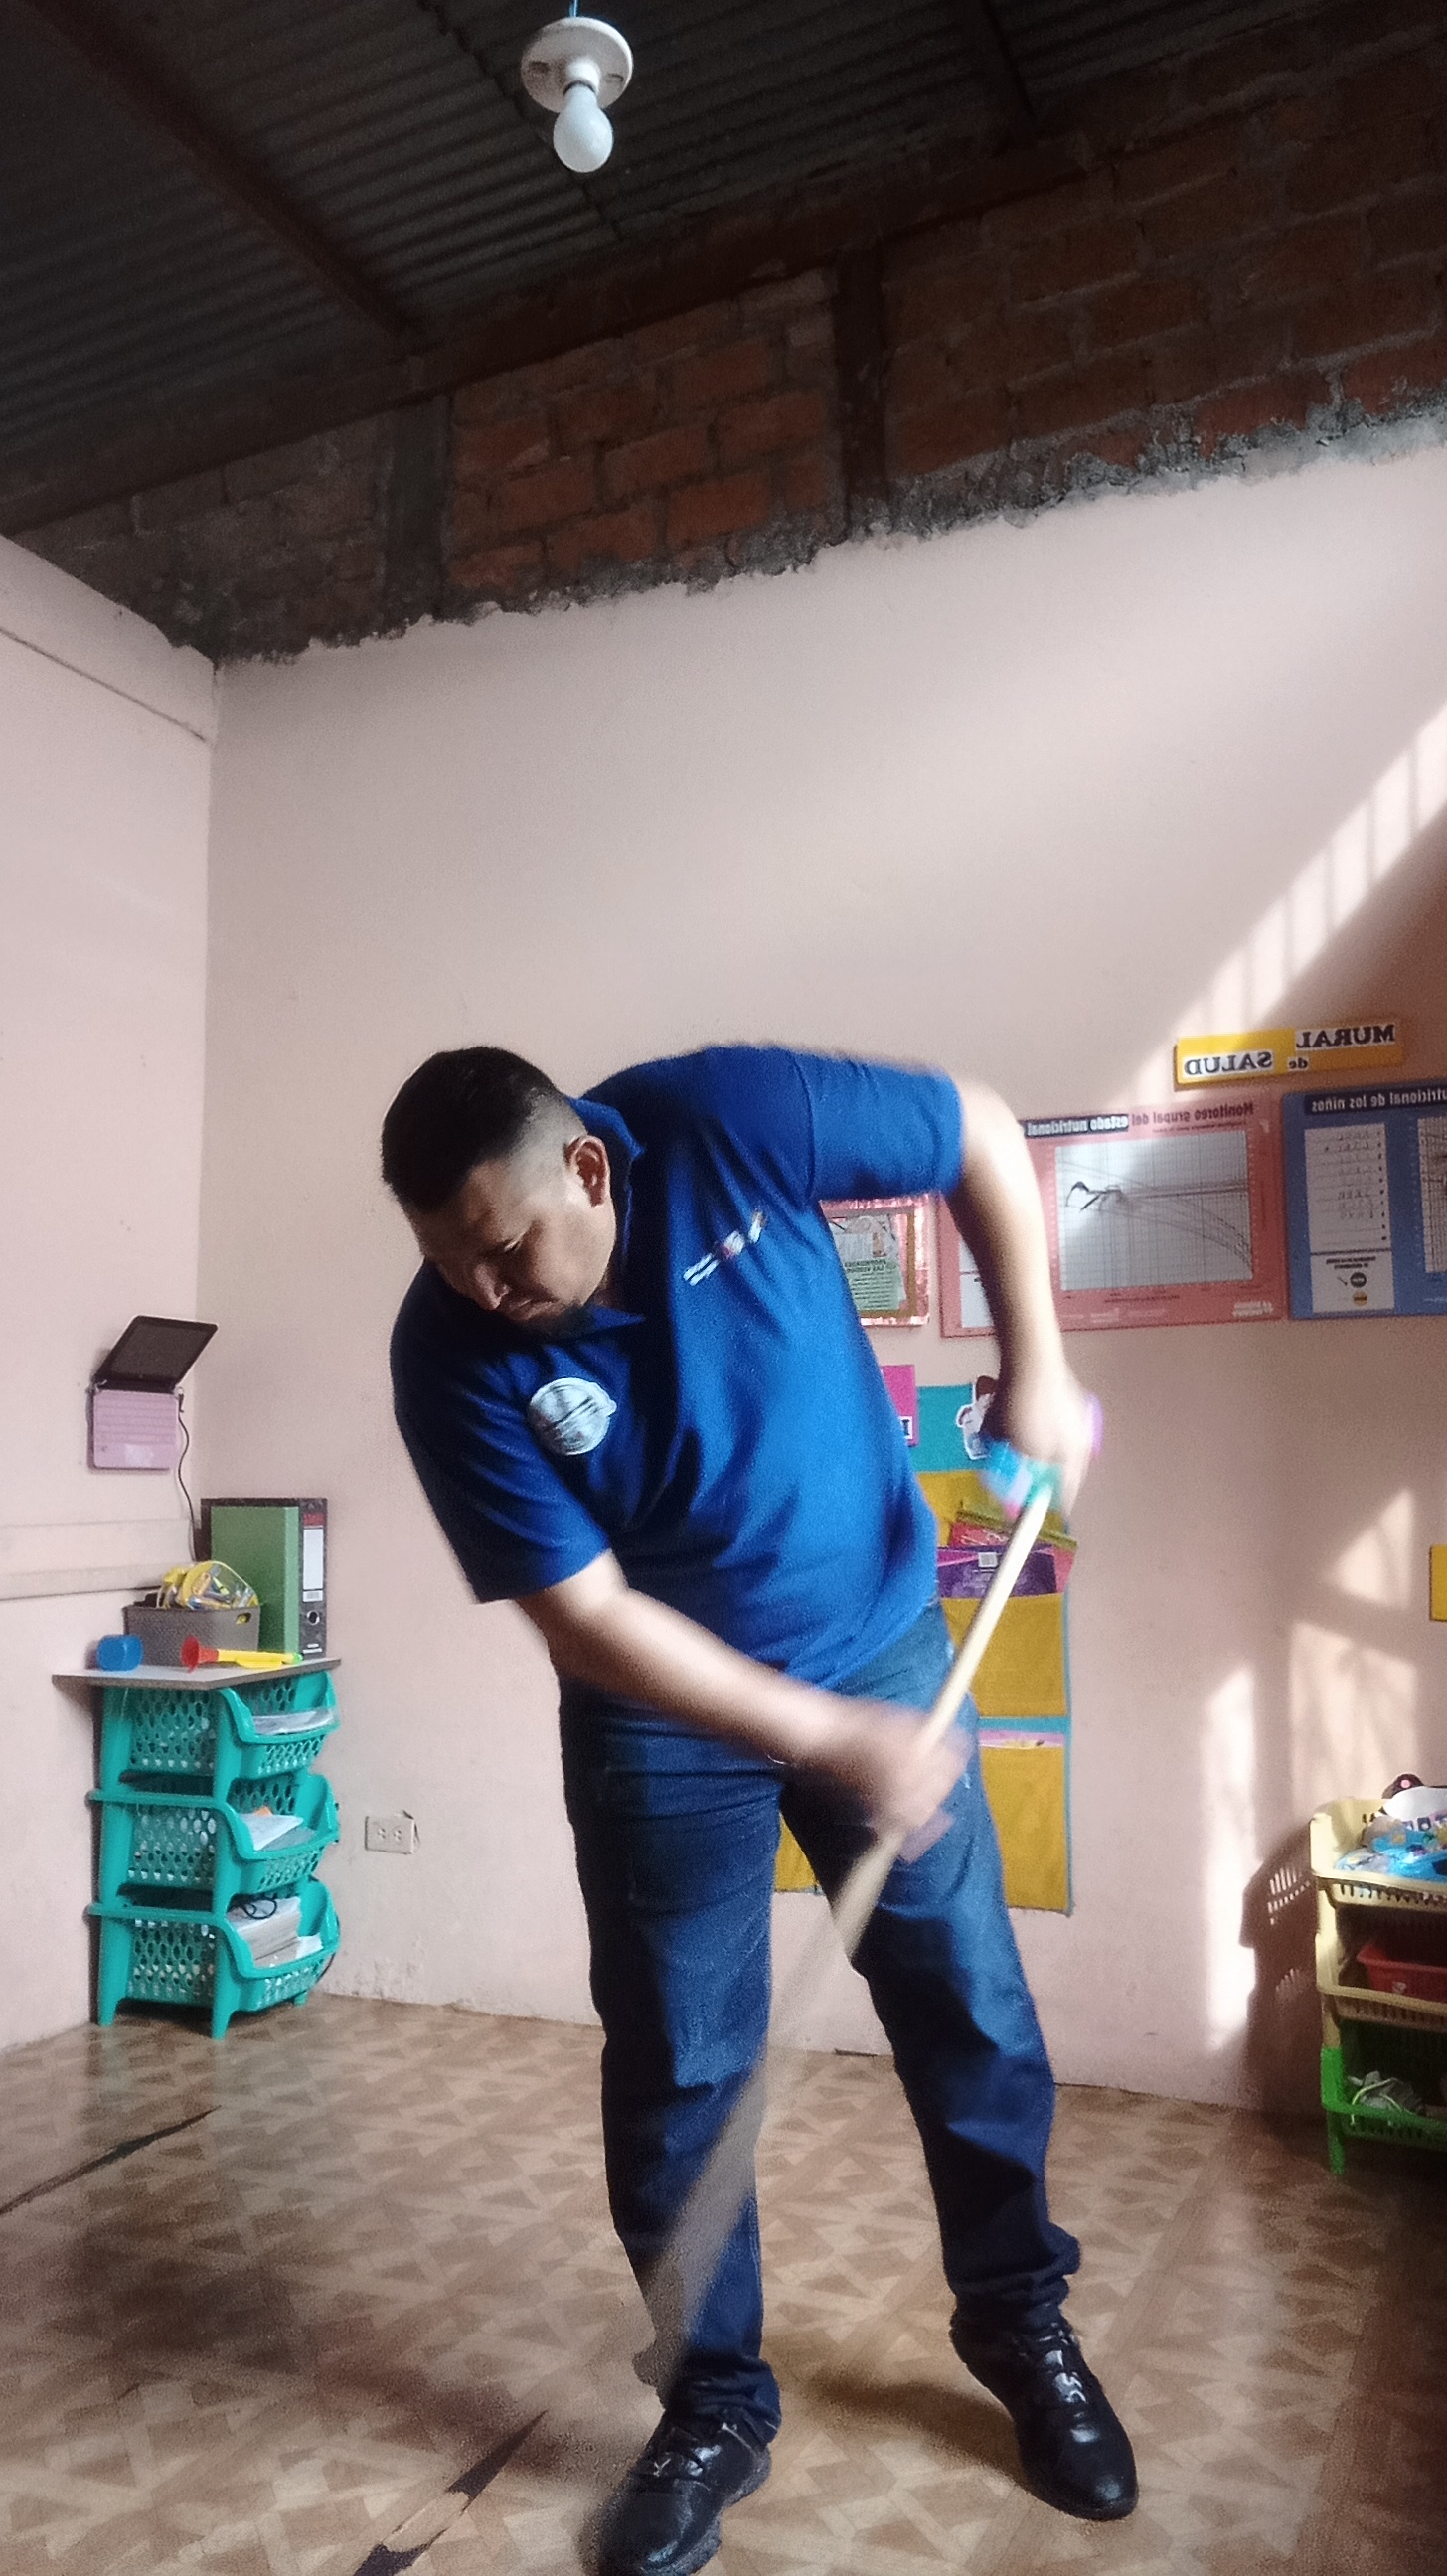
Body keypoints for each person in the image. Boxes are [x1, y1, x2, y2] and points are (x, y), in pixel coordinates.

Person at [383, 1043, 1136, 2575]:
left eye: (505, 1249)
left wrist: (1037, 1358)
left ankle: (1020, 2324)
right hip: (659, 1724)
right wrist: (830, 1738)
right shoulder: (445, 1352)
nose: (485, 1292)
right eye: (450, 1263)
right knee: (680, 2069)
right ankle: (714, 2403)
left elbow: (979, 1131)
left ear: (588, 1170)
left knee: (971, 2011)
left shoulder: (725, 1119)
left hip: (882, 1642)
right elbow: (587, 1619)